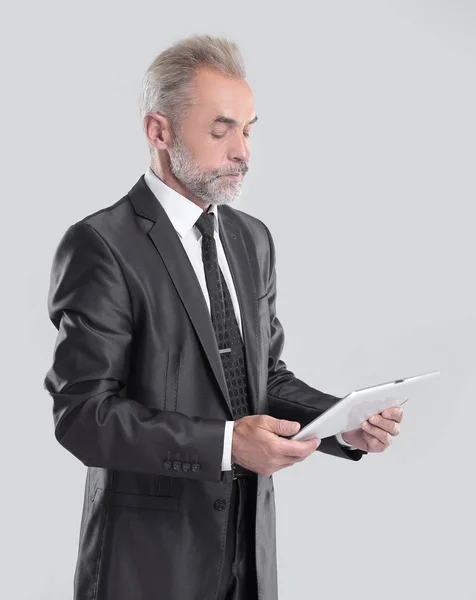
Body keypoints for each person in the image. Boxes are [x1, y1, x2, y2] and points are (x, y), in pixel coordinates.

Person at [44, 34, 404, 600]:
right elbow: (83, 416)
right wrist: (226, 445)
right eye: (221, 129)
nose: (243, 150)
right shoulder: (101, 246)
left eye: (248, 128)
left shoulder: (250, 238)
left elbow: (264, 378)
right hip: (149, 566)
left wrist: (341, 422)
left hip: (249, 556)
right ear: (158, 131)